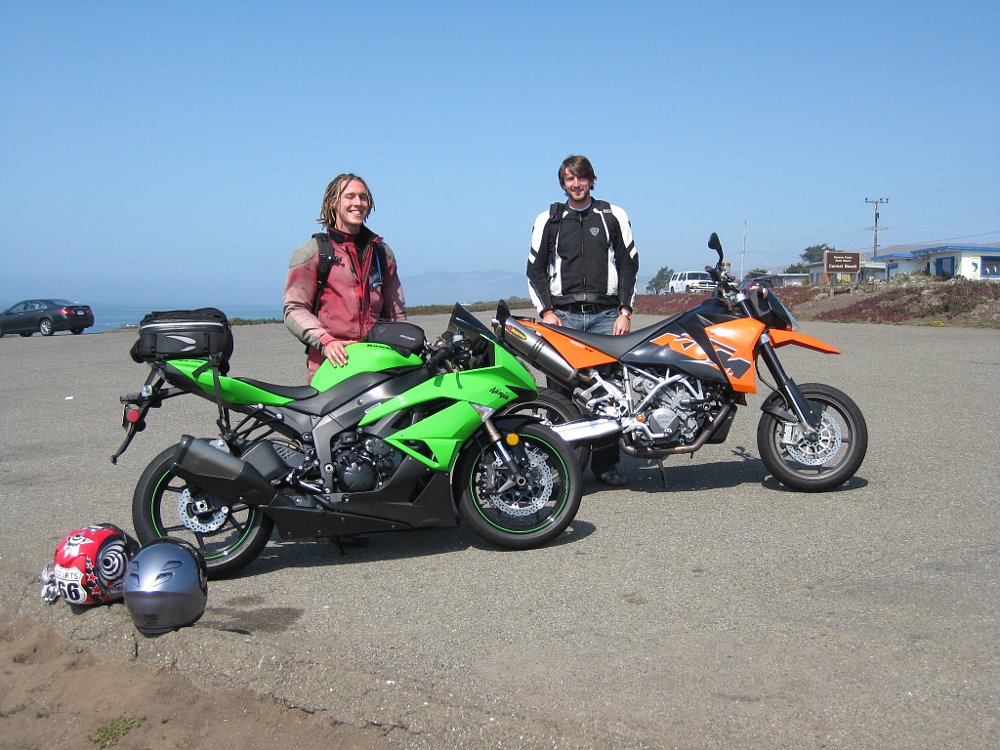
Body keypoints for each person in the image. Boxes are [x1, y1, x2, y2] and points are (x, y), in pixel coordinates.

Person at [526, 155, 639, 486]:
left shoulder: (612, 215)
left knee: (607, 394)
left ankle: (606, 465)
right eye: (569, 179)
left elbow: (629, 264)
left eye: (581, 178)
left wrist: (625, 311)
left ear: (592, 180)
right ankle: (561, 466)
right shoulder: (549, 218)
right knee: (561, 394)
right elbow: (535, 270)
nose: (575, 184)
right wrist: (547, 312)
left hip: (606, 317)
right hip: (562, 317)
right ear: (562, 183)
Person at [283, 173, 406, 379]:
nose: (358, 203)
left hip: (377, 364)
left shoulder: (382, 254)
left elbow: (396, 314)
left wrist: (403, 347)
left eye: (363, 197)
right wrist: (326, 341)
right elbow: (294, 308)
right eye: (349, 196)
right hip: (331, 365)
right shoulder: (313, 253)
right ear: (333, 202)